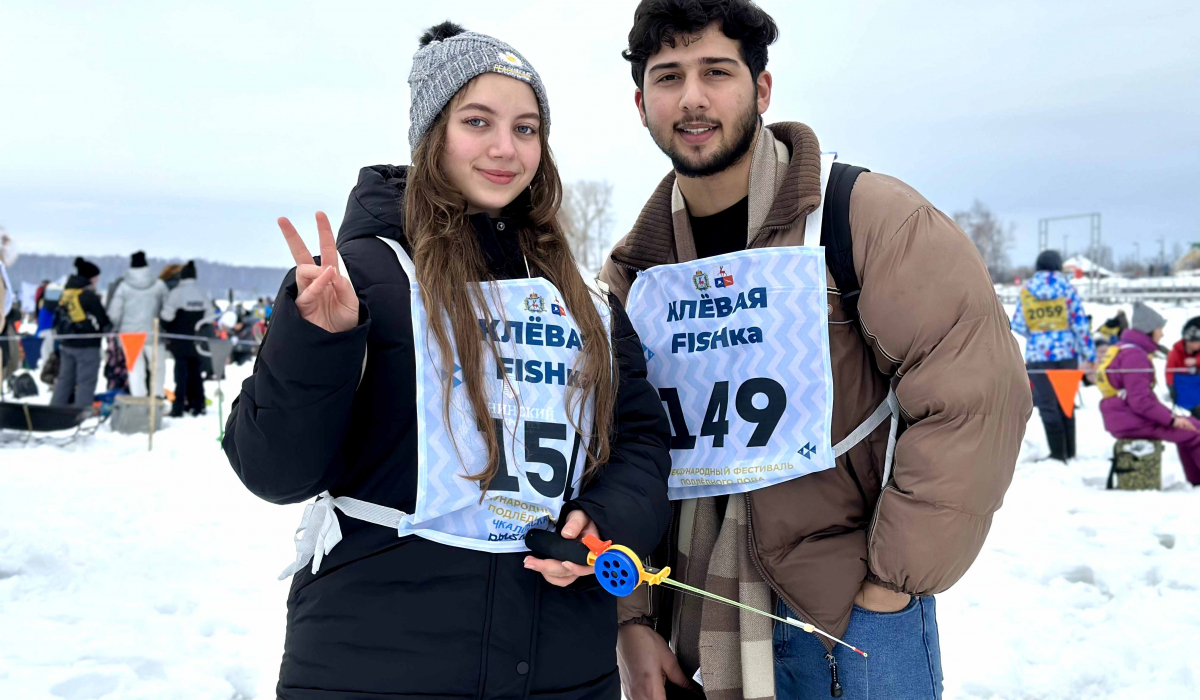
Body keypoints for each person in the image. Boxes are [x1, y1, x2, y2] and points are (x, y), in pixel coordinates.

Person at [222, 22, 672, 699]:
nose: (504, 148)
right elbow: (273, 470)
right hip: (374, 666)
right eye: (477, 121)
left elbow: (639, 439)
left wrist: (605, 521)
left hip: (560, 668)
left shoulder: (582, 299)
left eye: (526, 128)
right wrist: (319, 340)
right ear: (433, 133)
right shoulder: (362, 277)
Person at [598, 3, 1031, 699]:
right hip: (692, 624)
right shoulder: (633, 276)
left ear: (761, 90)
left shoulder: (863, 218)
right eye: (668, 77)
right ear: (641, 103)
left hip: (847, 621)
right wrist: (631, 618)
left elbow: (975, 394)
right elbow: (620, 452)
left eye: (717, 71)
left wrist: (890, 584)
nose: (693, 98)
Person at [1099, 302, 1200, 486]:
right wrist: (1172, 420)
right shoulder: (1134, 356)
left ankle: (1196, 479)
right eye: (1159, 329)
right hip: (1130, 419)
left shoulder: (1125, 349)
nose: (1162, 334)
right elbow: (1140, 401)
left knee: (1192, 425)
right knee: (1193, 431)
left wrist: (1171, 416)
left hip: (1123, 415)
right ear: (1149, 330)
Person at [1011, 249, 1095, 461]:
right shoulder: (1066, 288)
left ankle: (1058, 455)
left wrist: (1039, 333)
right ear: (1058, 266)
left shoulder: (1027, 289)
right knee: (1066, 403)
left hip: (1039, 356)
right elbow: (1080, 324)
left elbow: (1019, 324)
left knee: (1048, 405)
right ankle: (1070, 452)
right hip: (1067, 355)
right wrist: (1089, 355)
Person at [50, 257, 112, 408]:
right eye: (96, 277)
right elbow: (103, 320)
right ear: (90, 277)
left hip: (66, 343)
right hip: (87, 345)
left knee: (65, 379)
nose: (97, 280)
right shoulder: (88, 296)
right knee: (86, 380)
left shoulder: (66, 293)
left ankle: (56, 408)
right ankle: (81, 412)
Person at [108, 251, 170, 398]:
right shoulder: (159, 285)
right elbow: (167, 309)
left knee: (135, 370)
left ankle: (139, 402)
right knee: (157, 368)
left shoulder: (123, 286)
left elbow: (114, 313)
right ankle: (157, 398)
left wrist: (114, 326)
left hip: (130, 335)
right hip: (153, 332)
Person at [161, 260, 210, 416]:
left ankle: (179, 407)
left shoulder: (176, 293)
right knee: (196, 373)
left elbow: (166, 315)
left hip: (179, 340)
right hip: (196, 339)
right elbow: (210, 316)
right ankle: (198, 405)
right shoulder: (202, 292)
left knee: (180, 374)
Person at [1165, 316, 1200, 404]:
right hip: (1184, 389)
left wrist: (1196, 361)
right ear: (1188, 341)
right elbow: (1169, 372)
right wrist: (1171, 387)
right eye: (1197, 342)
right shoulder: (1175, 353)